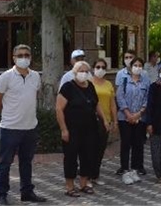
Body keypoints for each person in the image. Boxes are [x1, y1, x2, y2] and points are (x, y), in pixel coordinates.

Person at [0, 44, 46, 205]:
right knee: (4, 163)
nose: (24, 58)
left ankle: (27, 192)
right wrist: (7, 114)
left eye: (27, 55)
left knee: (26, 162)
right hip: (9, 128)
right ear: (14, 58)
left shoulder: (35, 76)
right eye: (20, 55)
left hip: (30, 128)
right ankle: (0, 195)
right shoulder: (6, 77)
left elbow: (35, 95)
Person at [56, 61, 108, 197]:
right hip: (72, 129)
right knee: (71, 157)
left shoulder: (90, 86)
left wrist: (104, 120)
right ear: (74, 72)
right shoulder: (67, 87)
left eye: (86, 71)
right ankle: (69, 186)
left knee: (88, 156)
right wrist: (63, 129)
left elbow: (96, 105)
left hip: (90, 128)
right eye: (81, 70)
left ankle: (84, 183)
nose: (83, 73)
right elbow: (59, 109)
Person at [116, 57, 150, 184]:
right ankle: (125, 170)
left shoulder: (145, 83)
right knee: (126, 144)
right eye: (135, 65)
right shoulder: (124, 81)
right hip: (124, 118)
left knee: (138, 144)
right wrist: (128, 114)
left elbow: (147, 99)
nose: (137, 67)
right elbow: (120, 98)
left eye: (140, 65)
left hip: (140, 118)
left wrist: (138, 114)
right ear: (130, 67)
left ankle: (135, 170)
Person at [91, 58, 117, 186]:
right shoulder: (88, 83)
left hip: (105, 121)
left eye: (103, 67)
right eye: (98, 67)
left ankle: (95, 175)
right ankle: (86, 175)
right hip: (91, 120)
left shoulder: (108, 84)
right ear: (93, 68)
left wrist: (114, 120)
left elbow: (112, 104)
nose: (100, 69)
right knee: (90, 149)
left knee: (100, 149)